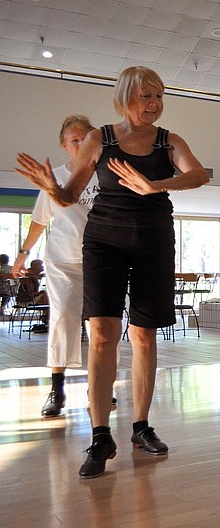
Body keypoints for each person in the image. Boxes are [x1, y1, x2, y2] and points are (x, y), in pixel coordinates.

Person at [16, 66, 209, 478]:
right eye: (146, 96)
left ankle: (141, 426)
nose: (154, 104)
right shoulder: (98, 139)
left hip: (154, 242)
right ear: (124, 98)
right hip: (104, 243)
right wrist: (50, 187)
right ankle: (101, 435)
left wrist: (157, 185)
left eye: (159, 96)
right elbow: (68, 196)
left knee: (143, 334)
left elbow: (198, 174)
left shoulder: (168, 141)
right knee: (102, 334)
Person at [12, 115, 99, 417]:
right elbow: (39, 220)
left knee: (100, 326)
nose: (80, 143)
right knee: (62, 320)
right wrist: (23, 253)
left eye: (85, 138)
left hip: (101, 261)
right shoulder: (56, 176)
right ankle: (57, 389)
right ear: (64, 146)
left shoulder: (106, 174)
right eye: (74, 139)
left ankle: (98, 387)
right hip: (63, 260)